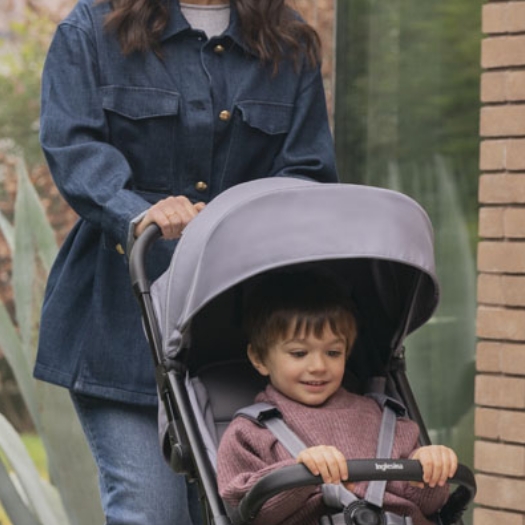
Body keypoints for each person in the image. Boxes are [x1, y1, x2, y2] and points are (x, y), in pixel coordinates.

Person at [34, 0, 338, 523]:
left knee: (236, 511)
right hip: (122, 329)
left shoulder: (286, 37)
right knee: (150, 513)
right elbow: (73, 146)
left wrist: (240, 219)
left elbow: (307, 171)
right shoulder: (92, 27)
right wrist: (142, 213)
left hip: (238, 333)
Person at [217, 270, 458, 525]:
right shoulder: (250, 434)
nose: (319, 366)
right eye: (299, 353)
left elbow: (428, 506)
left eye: (333, 352)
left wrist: (430, 472)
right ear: (259, 358)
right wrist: (297, 478)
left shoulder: (385, 419)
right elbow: (249, 514)